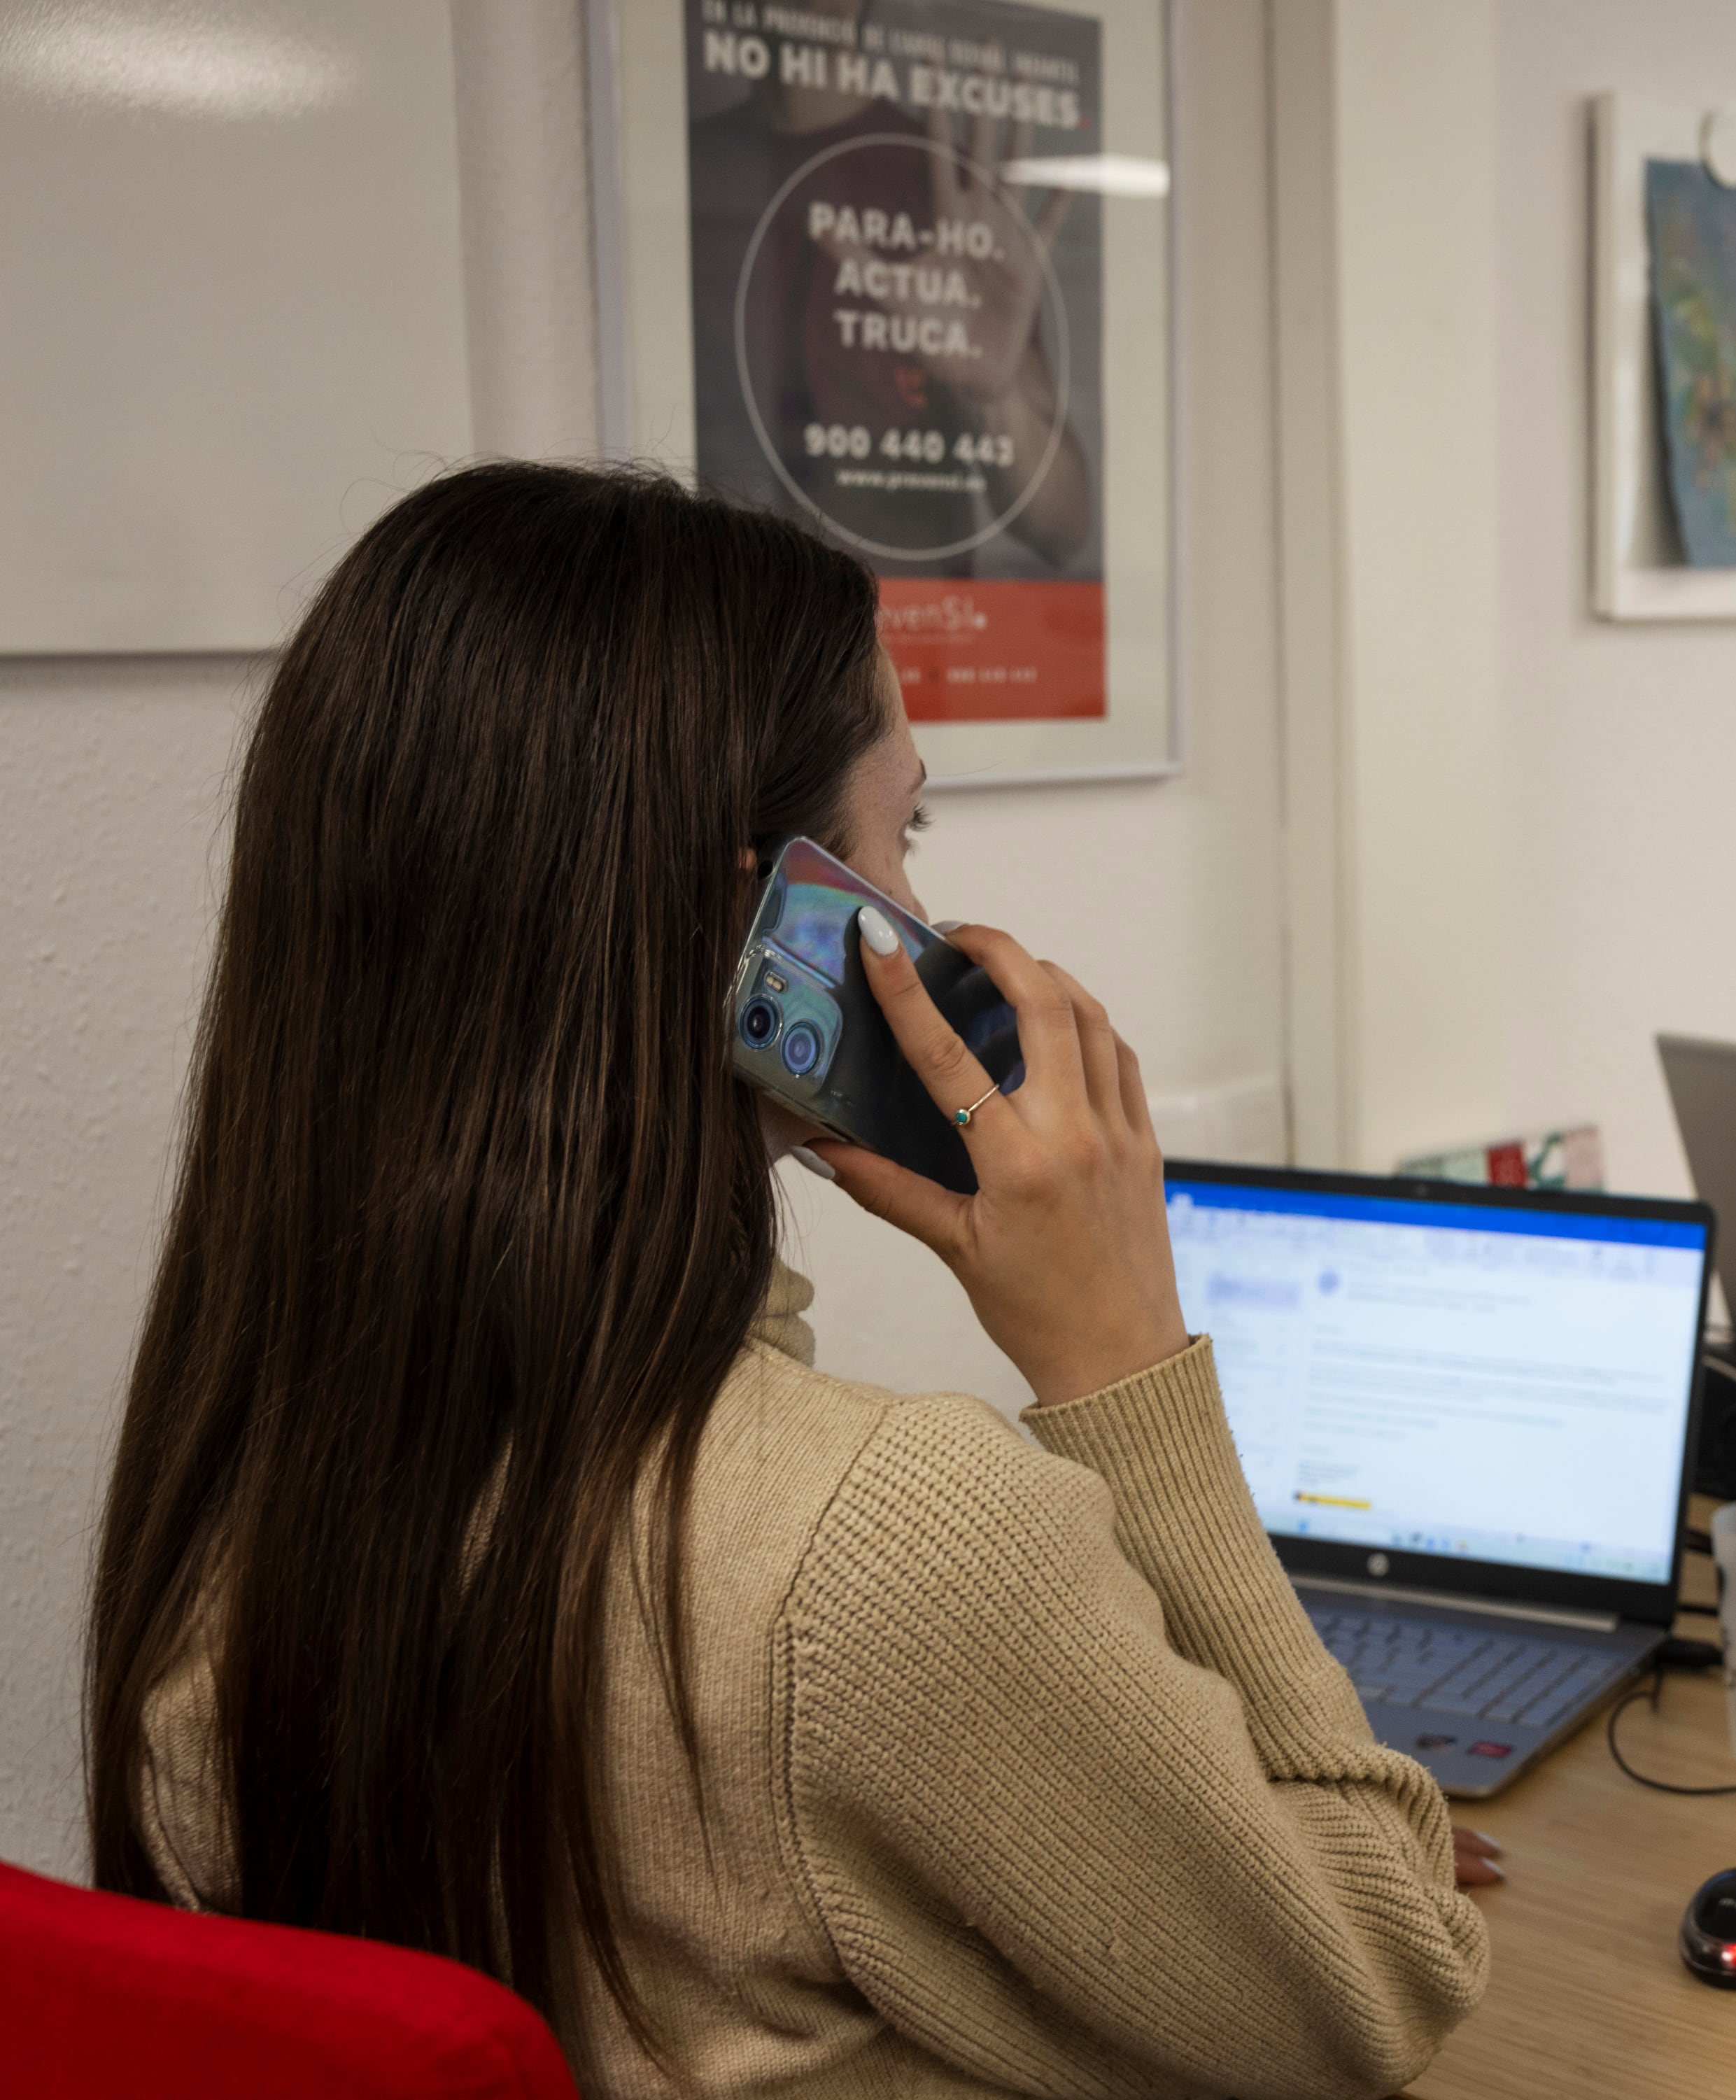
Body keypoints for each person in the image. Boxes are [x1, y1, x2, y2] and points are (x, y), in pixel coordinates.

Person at [85, 461, 1492, 2097]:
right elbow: (1384, 1976)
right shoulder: (882, 1542)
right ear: (751, 922)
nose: (924, 920)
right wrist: (1123, 1358)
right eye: (903, 835)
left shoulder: (243, 1480)